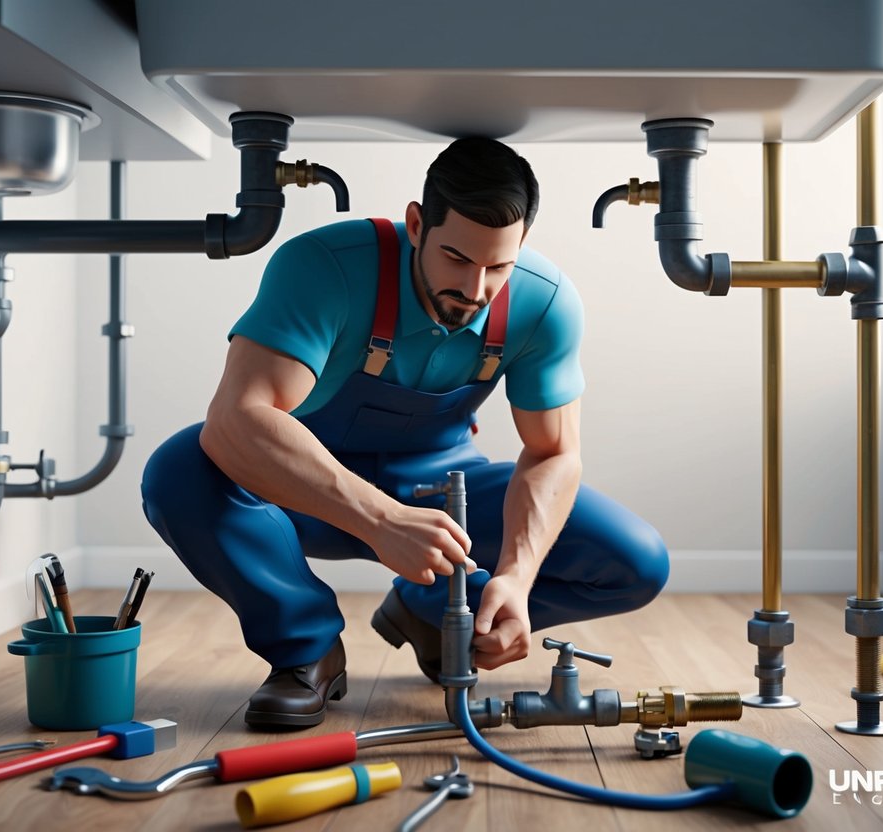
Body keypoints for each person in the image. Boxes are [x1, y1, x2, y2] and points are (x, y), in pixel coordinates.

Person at [141, 138, 669, 730]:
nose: (474, 290)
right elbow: (238, 419)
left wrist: (517, 579)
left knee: (635, 561)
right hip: (305, 485)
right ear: (416, 225)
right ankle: (305, 649)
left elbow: (552, 453)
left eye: (498, 266)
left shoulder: (545, 304)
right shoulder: (326, 267)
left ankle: (438, 614)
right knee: (180, 469)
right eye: (456, 259)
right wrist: (381, 520)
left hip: (444, 494)